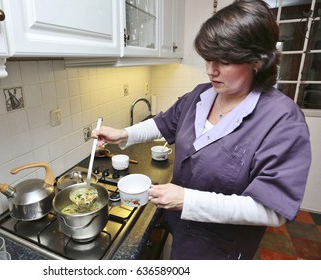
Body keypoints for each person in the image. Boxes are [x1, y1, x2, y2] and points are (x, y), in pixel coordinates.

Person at [92, 0, 312, 260]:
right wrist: (124, 134)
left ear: (257, 61)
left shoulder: (282, 119)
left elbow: (272, 211)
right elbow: (162, 123)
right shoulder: (201, 95)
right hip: (182, 231)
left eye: (225, 61)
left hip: (222, 249)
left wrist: (188, 200)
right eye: (207, 58)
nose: (210, 70)